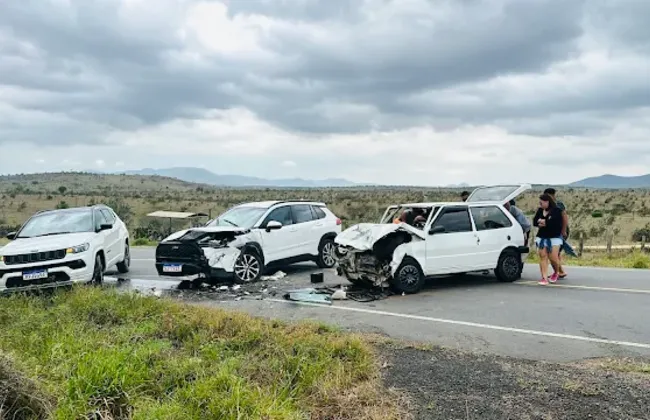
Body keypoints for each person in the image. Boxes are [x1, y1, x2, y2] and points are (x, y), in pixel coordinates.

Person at [533, 194, 563, 285]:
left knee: (553, 257)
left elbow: (554, 223)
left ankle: (556, 272)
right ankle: (544, 277)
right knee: (543, 256)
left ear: (547, 202)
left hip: (554, 237)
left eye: (541, 202)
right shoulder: (540, 210)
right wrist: (543, 222)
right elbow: (535, 221)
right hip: (542, 236)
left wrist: (543, 222)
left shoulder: (556, 211)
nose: (540, 204)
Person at [543, 188, 568, 278]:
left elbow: (564, 217)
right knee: (555, 253)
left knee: (553, 253)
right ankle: (559, 271)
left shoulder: (559, 205)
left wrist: (563, 230)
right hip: (552, 231)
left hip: (560, 231)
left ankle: (560, 271)